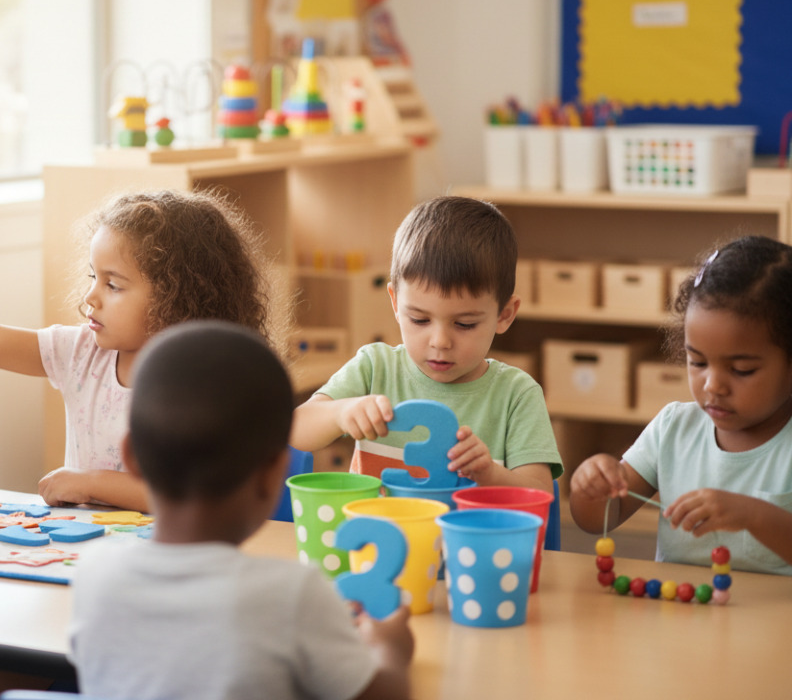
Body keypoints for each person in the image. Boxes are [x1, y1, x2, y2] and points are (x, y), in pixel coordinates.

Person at [0, 187, 291, 512]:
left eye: (114, 285)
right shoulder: (83, 354)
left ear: (177, 298)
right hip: (78, 554)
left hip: (162, 571)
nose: (90, 297)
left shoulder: (207, 382)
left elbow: (191, 497)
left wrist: (89, 483)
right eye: (92, 278)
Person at [69, 320, 414, 700]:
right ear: (276, 473)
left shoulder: (93, 574)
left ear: (132, 458)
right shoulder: (293, 596)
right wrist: (391, 652)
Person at [290, 195, 561, 493]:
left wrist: (491, 474)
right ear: (395, 302)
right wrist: (339, 412)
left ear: (504, 314)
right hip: (378, 535)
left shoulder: (517, 395)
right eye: (419, 319)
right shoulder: (374, 367)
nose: (440, 342)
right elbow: (295, 429)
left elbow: (542, 495)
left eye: (465, 324)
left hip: (467, 540)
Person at [569, 236, 792, 574]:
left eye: (742, 370)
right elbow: (596, 520)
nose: (712, 385)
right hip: (681, 619)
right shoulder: (674, 428)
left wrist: (753, 515)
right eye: (698, 362)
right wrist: (590, 487)